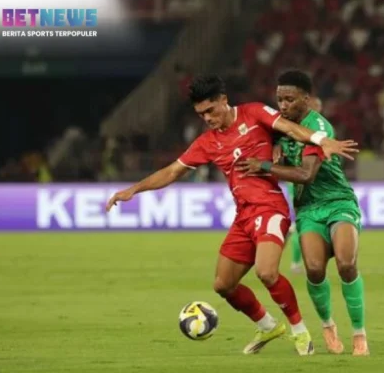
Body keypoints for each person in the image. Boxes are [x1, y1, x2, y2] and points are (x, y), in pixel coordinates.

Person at [106, 75, 358, 354]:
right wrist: (134, 189)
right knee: (223, 284)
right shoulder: (207, 142)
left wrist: (322, 140)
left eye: (210, 110)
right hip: (243, 216)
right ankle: (267, 325)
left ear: (223, 100)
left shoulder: (254, 113)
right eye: (201, 114)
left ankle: (300, 333)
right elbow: (172, 171)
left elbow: (289, 127)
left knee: (267, 272)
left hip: (270, 207)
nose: (207, 118)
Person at [238, 70, 368, 356]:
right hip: (308, 208)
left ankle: (359, 333)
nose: (283, 106)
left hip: (338, 201)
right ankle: (328, 325)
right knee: (314, 269)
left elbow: (306, 175)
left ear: (306, 99)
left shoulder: (318, 129)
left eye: (290, 99)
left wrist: (265, 166)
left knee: (346, 264)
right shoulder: (280, 125)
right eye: (280, 100)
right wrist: (272, 145)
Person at [285, 96, 323, 275]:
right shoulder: (298, 128)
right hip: (297, 179)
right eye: (315, 106)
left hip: (312, 180)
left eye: (319, 107)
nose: (317, 110)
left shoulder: (318, 128)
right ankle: (295, 263)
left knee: (306, 222)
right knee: (302, 222)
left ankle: (290, 230)